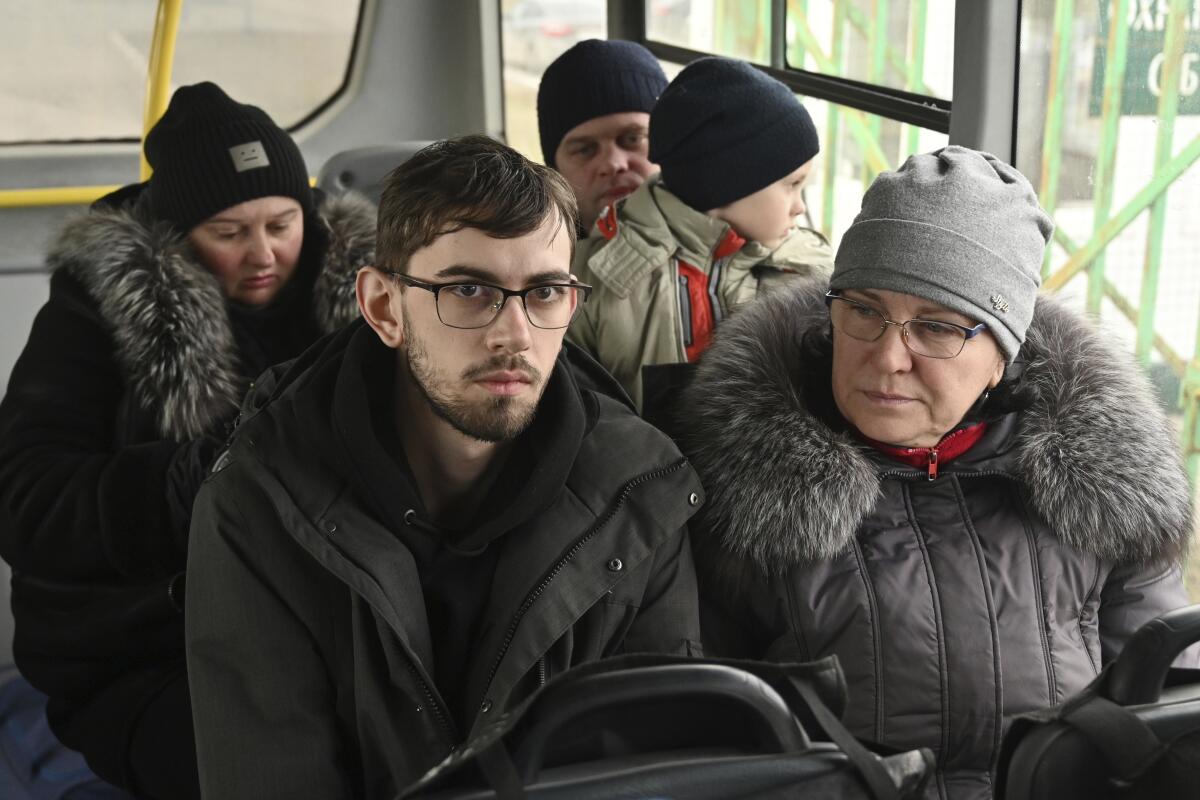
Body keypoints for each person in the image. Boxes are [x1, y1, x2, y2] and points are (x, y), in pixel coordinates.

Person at [185, 135, 704, 799]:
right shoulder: (262, 505)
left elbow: (662, 772)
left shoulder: (641, 490)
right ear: (382, 307)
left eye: (543, 292)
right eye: (468, 289)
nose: (514, 334)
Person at [680, 146, 1197, 799]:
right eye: (863, 310)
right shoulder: (743, 493)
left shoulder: (1102, 494)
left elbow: (1166, 722)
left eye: (937, 327)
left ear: (1004, 354)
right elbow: (707, 739)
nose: (889, 357)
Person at [0, 82, 376, 799]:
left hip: (334, 622)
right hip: (145, 644)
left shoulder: (367, 299)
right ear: (174, 236)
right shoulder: (93, 315)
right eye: (230, 233)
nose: (263, 254)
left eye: (282, 223)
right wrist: (191, 483)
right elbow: (25, 499)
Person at [567, 56, 833, 412]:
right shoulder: (600, 277)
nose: (800, 207)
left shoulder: (811, 273)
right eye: (793, 185)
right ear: (729, 184)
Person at [537, 38, 668, 233]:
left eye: (633, 139)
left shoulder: (723, 241)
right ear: (554, 171)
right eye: (585, 150)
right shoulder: (534, 261)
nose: (613, 164)